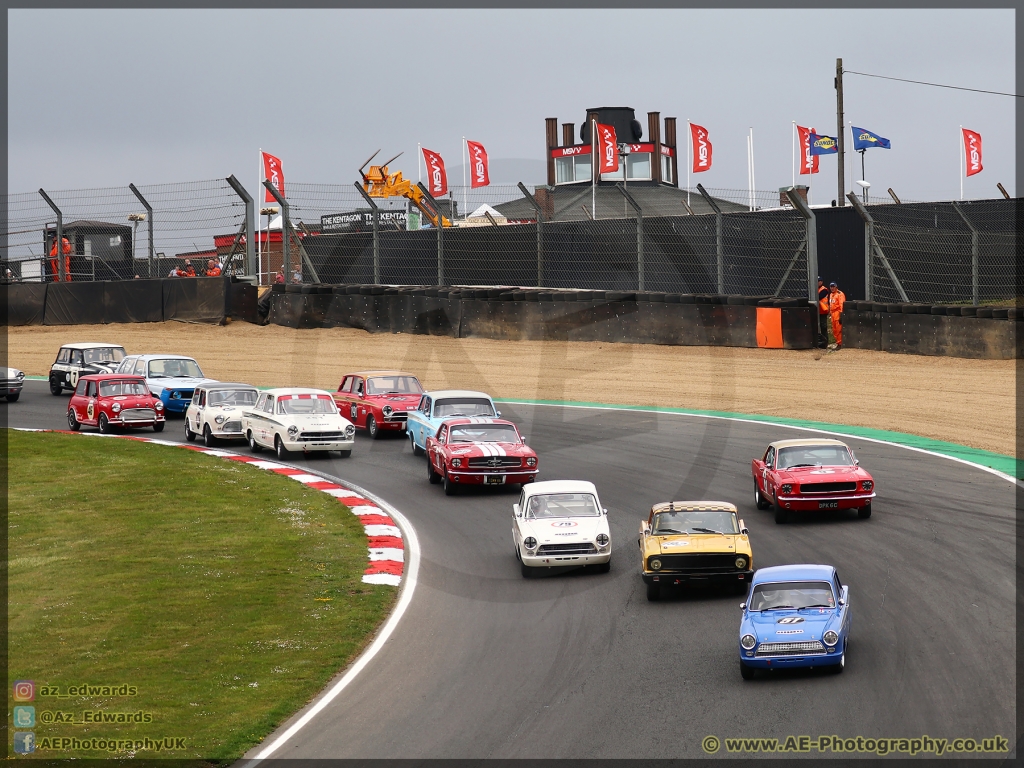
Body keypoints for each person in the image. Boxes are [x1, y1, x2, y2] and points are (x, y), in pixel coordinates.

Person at [828, 281, 846, 349]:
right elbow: (831, 305)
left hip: (837, 313)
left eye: (833, 287)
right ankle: (838, 342)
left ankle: (840, 343)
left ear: (836, 287)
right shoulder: (831, 295)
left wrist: (841, 314)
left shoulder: (840, 294)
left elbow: (841, 304)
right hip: (832, 313)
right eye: (831, 287)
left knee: (838, 329)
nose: (832, 288)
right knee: (834, 329)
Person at [816, 277, 830, 348]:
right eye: (817, 281)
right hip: (817, 311)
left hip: (823, 311)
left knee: (823, 327)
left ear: (821, 282)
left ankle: (825, 343)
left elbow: (818, 297)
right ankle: (819, 342)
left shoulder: (824, 290)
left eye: (819, 281)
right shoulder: (815, 289)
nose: (818, 282)